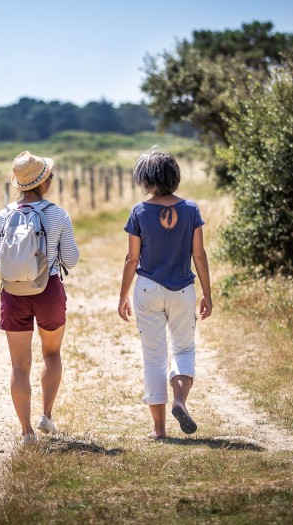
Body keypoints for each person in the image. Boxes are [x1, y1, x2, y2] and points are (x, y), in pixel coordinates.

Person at [117, 147, 212, 439]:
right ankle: (180, 400)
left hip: (147, 289)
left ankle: (159, 430)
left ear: (146, 179)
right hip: (182, 289)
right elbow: (199, 254)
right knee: (183, 349)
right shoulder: (191, 210)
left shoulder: (139, 211)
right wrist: (207, 293)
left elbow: (132, 259)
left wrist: (123, 295)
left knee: (153, 357)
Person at [0, 151, 80, 444]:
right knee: (51, 354)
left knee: (19, 366)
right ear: (44, 182)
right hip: (48, 289)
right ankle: (47, 416)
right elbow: (72, 259)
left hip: (13, 293)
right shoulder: (57, 214)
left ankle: (26, 432)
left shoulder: (4, 215)